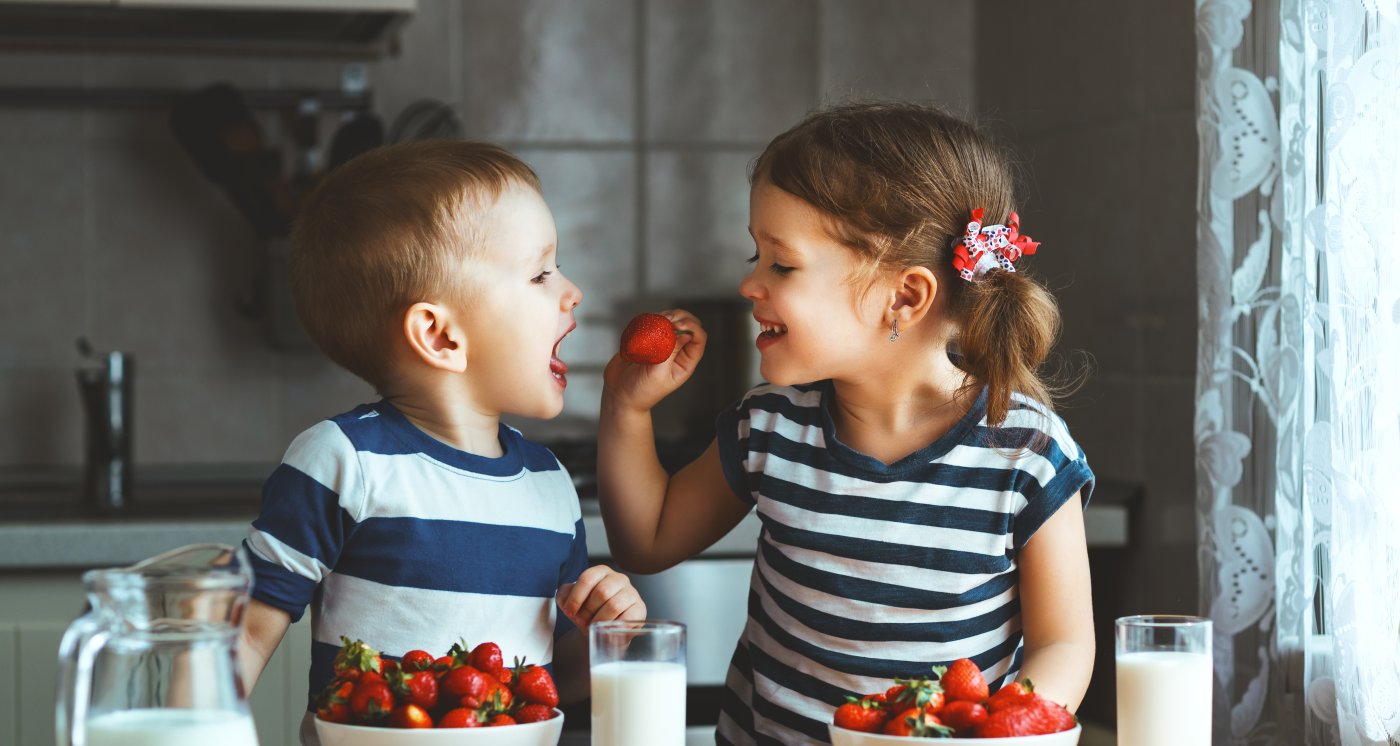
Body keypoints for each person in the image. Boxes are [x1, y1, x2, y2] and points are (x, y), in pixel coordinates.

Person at [596, 102, 1095, 745]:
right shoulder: (770, 429)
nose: (750, 284)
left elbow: (1065, 643)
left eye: (782, 264)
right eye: (757, 256)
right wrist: (627, 408)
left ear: (905, 297)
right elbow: (648, 540)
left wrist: (996, 731)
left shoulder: (1027, 452)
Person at [237, 139, 646, 743]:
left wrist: (611, 635)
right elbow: (243, 633)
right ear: (439, 335)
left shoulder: (549, 487)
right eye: (540, 273)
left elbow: (553, 678)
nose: (571, 291)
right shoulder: (344, 462)